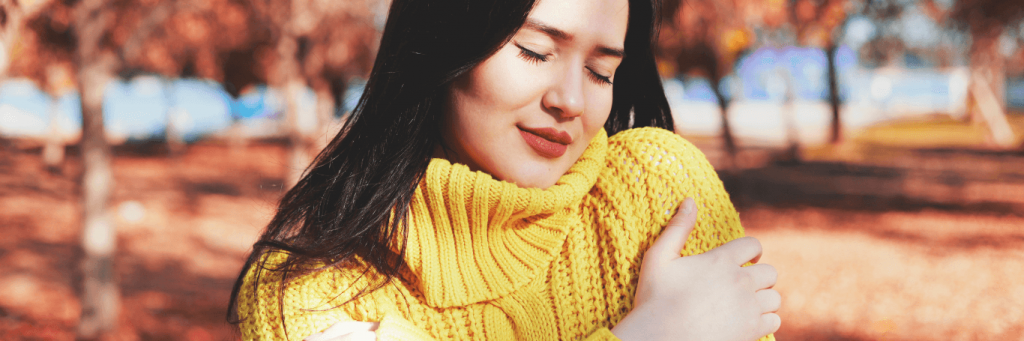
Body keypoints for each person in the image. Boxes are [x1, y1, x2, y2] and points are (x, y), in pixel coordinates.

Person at [228, 0, 781, 339]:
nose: (570, 101)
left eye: (600, 71)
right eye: (535, 51)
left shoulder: (658, 191)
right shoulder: (312, 295)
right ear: (444, 41)